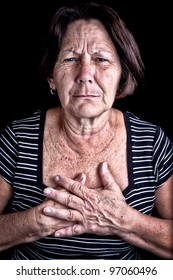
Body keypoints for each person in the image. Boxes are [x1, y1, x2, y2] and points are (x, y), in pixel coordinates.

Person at [0, 2, 172, 260]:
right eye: (70, 59)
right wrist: (37, 221)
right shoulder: (18, 137)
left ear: (122, 74)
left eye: (101, 59)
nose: (85, 74)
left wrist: (124, 220)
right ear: (51, 76)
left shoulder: (151, 142)